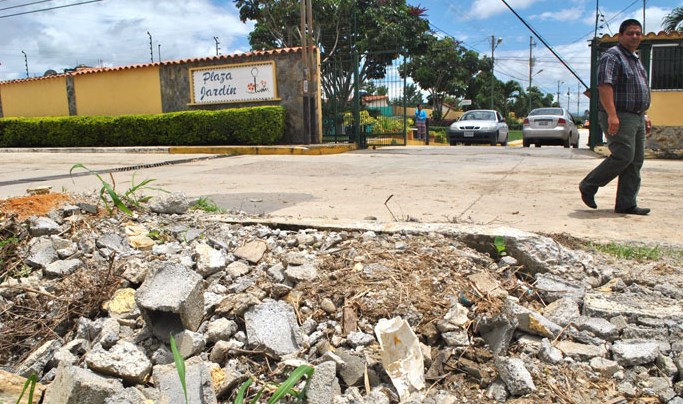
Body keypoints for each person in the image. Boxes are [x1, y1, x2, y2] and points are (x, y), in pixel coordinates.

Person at [579, 19, 652, 215]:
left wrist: (644, 116)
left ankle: (626, 203)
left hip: (636, 116)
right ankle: (589, 185)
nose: (635, 36)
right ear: (620, 36)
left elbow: (639, 90)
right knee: (624, 155)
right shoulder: (612, 56)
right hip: (619, 115)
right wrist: (612, 115)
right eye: (630, 33)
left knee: (636, 160)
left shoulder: (635, 59)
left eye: (638, 33)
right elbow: (604, 85)